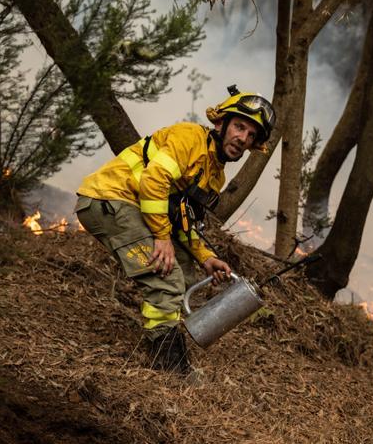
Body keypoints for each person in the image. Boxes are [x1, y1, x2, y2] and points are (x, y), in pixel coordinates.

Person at [74, 86, 275, 373]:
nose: (242, 138)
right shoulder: (189, 138)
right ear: (221, 123)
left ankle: (163, 336)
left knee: (184, 275)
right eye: (239, 127)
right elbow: (153, 181)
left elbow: (182, 218)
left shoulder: (214, 174)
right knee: (166, 278)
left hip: (131, 206)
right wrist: (161, 237)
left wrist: (205, 256)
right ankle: (170, 367)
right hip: (109, 199)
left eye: (251, 135)